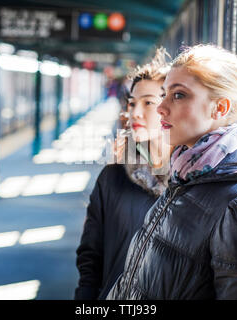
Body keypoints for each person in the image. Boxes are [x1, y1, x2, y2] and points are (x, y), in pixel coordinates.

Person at [106, 44, 237, 300]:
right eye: (164, 94)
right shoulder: (186, 174)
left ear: (220, 108)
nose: (161, 107)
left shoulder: (236, 205)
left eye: (179, 95)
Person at [74, 48, 172, 300]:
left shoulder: (192, 185)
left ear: (170, 106)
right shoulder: (112, 178)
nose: (134, 113)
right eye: (132, 103)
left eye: (148, 102)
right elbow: (90, 257)